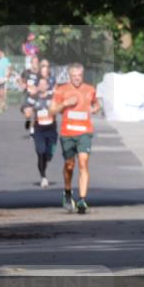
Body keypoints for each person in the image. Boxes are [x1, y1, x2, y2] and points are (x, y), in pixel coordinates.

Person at [51, 63, 101, 214]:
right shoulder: (62, 90)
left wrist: (95, 109)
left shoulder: (90, 90)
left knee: (83, 162)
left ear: (82, 75)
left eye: (79, 76)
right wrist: (65, 103)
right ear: (69, 76)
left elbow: (97, 105)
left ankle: (82, 200)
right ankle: (67, 192)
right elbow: (52, 110)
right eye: (73, 76)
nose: (77, 79)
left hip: (84, 132)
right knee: (69, 166)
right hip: (67, 133)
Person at [29, 77, 58, 187]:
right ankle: (43, 177)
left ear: (47, 86)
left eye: (44, 84)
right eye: (39, 84)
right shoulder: (33, 98)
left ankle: (47, 159)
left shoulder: (53, 97)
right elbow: (29, 112)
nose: (42, 86)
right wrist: (31, 128)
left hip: (51, 129)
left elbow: (59, 108)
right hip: (39, 130)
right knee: (40, 153)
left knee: (48, 155)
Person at [19, 56, 42, 133]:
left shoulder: (40, 74)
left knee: (36, 113)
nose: (35, 64)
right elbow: (21, 80)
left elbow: (43, 84)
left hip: (37, 96)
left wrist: (37, 89)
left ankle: (32, 128)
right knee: (28, 114)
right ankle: (28, 120)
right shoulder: (26, 72)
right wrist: (22, 84)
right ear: (31, 63)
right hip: (27, 95)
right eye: (34, 62)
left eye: (36, 62)